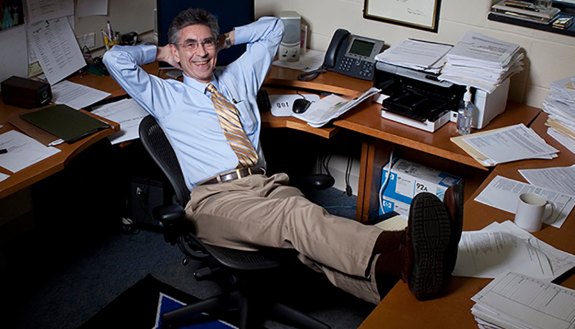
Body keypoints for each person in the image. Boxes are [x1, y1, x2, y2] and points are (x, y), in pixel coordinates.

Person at [103, 8, 462, 304]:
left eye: (207, 42)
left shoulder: (238, 77)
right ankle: (402, 246)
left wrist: (225, 38)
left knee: (308, 233)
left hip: (263, 183)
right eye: (190, 45)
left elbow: (274, 28)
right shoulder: (164, 95)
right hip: (213, 200)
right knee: (297, 217)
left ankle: (398, 274)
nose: (201, 52)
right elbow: (114, 58)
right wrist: (162, 52)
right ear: (176, 52)